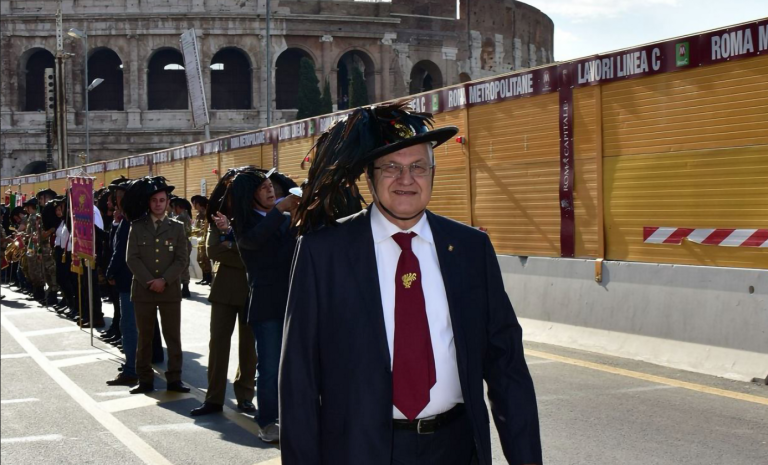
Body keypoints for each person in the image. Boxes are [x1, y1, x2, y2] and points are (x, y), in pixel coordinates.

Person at [280, 101, 542, 465]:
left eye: (418, 166)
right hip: (358, 450)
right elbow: (299, 381)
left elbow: (507, 367)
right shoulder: (323, 253)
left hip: (453, 448)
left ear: (433, 174)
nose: (406, 179)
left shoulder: (470, 248)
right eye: (391, 167)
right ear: (369, 176)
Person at [212, 169, 299, 443]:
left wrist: (297, 217)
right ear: (250, 196)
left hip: (294, 302)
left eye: (270, 186)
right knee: (270, 367)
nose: (270, 190)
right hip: (267, 306)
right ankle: (267, 422)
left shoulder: (282, 219)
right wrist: (281, 211)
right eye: (262, 188)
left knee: (296, 365)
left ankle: (294, 417)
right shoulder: (244, 225)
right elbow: (256, 241)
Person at [189, 169, 257, 417]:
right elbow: (212, 251)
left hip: (251, 290)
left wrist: (233, 245)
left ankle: (246, 396)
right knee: (218, 345)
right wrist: (243, 251)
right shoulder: (217, 218)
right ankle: (214, 397)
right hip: (223, 290)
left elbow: (257, 254)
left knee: (249, 348)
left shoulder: (253, 219)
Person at [125, 176, 190, 394]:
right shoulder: (137, 227)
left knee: (173, 336)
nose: (158, 205)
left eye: (162, 200)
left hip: (169, 290)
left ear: (168, 202)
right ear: (149, 203)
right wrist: (149, 281)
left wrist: (164, 280)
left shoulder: (177, 228)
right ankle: (144, 379)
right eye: (154, 201)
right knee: (145, 337)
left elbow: (182, 259)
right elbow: (132, 258)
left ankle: (175, 379)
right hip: (143, 291)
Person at [105, 179, 140, 386]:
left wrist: (109, 271)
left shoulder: (129, 222)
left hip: (128, 280)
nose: (113, 200)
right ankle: (134, 364)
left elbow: (120, 252)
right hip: (131, 279)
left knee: (128, 325)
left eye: (117, 196)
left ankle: (132, 369)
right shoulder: (128, 220)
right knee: (130, 324)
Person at [170, 197, 193, 298]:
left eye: (174, 207)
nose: (173, 209)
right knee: (185, 264)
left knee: (181, 265)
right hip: (186, 242)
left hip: (181, 243)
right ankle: (185, 287)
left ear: (179, 207)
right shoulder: (186, 215)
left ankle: (185, 288)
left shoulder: (180, 218)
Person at [191, 195, 213, 286]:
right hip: (200, 239)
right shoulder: (198, 214)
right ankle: (204, 277)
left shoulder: (206, 213)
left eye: (194, 203)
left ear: (199, 204)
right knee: (200, 259)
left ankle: (208, 278)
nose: (193, 205)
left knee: (205, 259)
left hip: (205, 239)